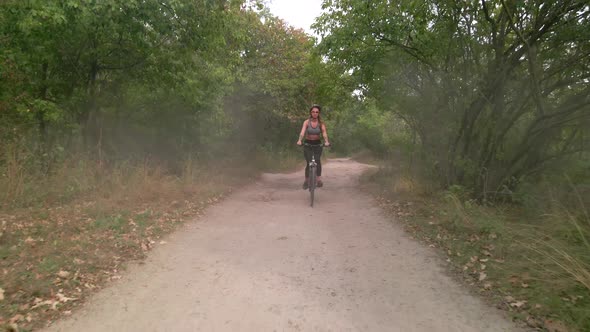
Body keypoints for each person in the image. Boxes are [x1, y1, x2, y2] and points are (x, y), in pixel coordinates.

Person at [296, 105, 331, 189]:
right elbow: (302, 132)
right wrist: (300, 140)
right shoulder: (306, 122)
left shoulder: (321, 123)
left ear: (318, 113)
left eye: (317, 112)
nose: (315, 113)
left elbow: (324, 133)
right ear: (310, 113)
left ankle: (318, 179)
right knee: (308, 163)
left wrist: (326, 142)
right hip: (307, 144)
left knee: (317, 160)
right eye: (313, 112)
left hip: (317, 144)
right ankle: (306, 181)